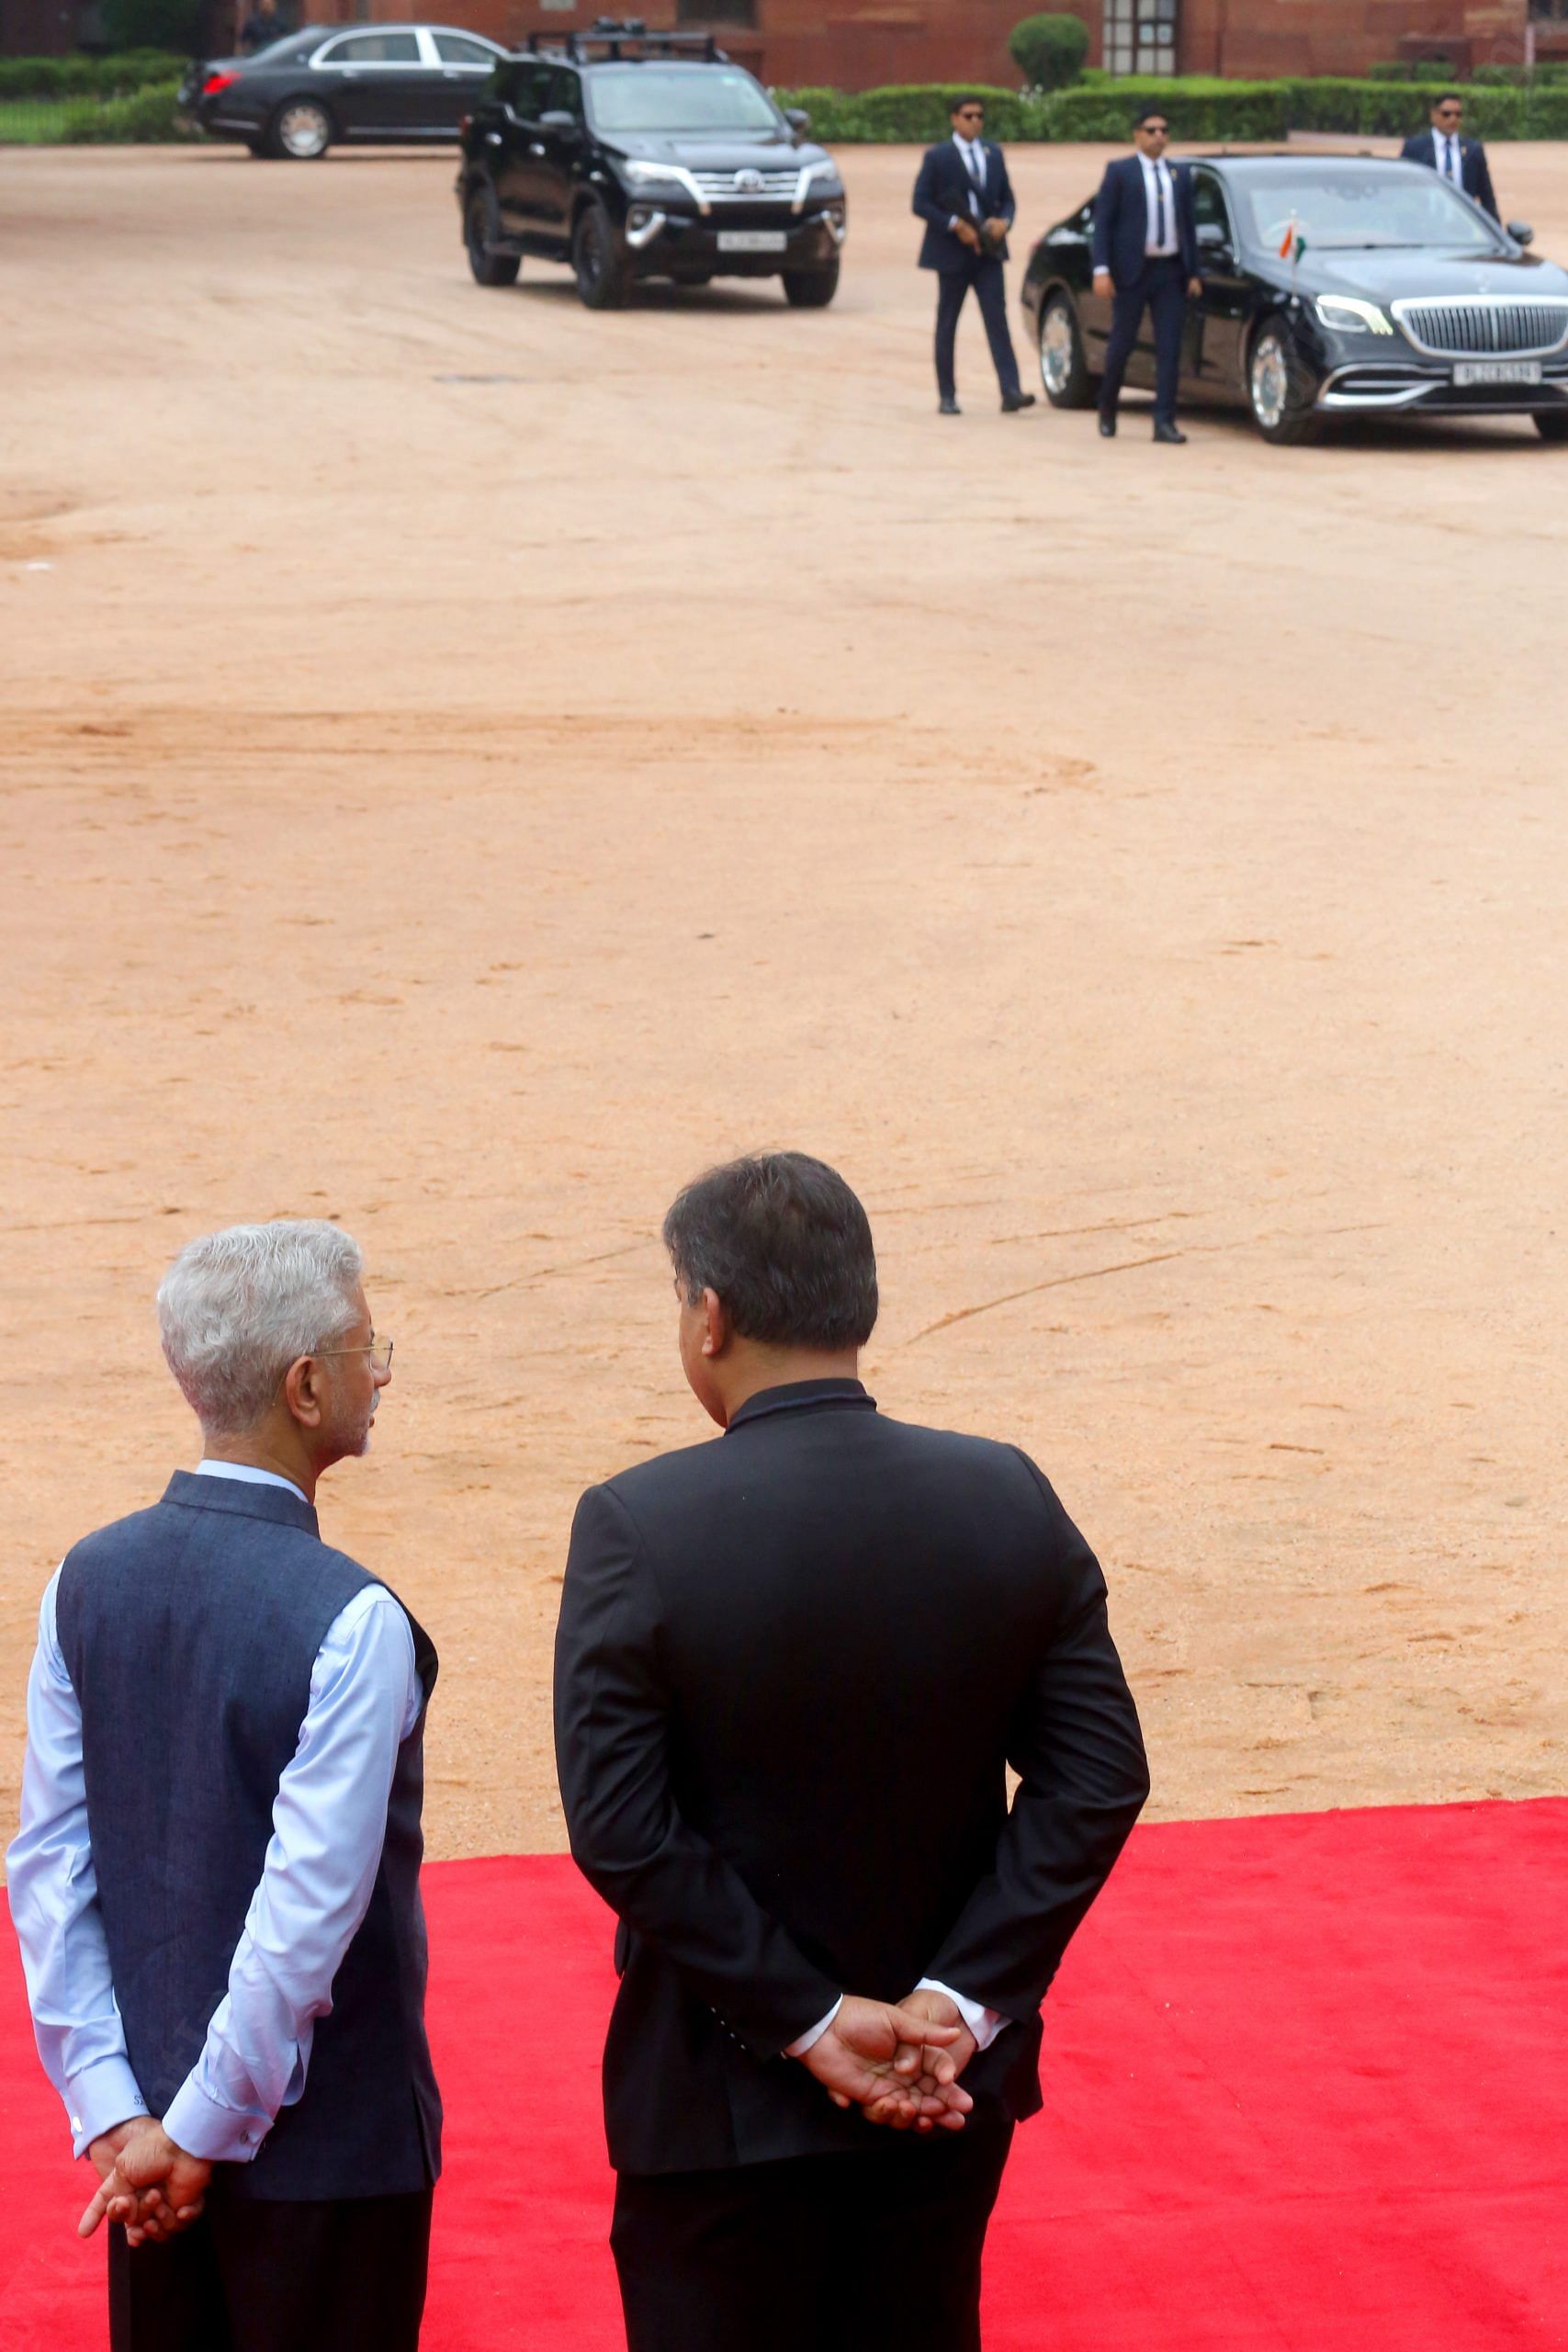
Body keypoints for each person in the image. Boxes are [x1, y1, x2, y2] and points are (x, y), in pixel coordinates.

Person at [555, 1150, 1149, 2352]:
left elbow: (621, 1826)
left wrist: (810, 2016)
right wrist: (955, 2004)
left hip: (718, 2106)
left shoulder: (638, 1524)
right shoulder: (1005, 1495)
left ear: (708, 1316)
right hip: (941, 2101)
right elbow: (1095, 1776)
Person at [6, 1221, 441, 2352]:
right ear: (305, 1386)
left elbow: (49, 1866)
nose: (382, 1367)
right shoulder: (354, 1617)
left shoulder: (80, 1580)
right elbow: (307, 1915)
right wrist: (198, 2133)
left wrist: (116, 2109)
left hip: (142, 2157)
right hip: (324, 2161)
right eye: (363, 1345)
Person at [912, 94, 1036, 417]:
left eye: (980, 116)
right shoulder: (938, 156)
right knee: (947, 323)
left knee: (997, 321)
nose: (976, 121)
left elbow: (1007, 198)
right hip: (952, 252)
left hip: (988, 253)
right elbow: (920, 202)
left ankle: (1010, 390)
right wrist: (954, 224)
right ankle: (947, 395)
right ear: (954, 118)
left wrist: (1004, 222)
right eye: (968, 115)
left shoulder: (992, 153)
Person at [1091, 103, 1202, 444]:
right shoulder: (1119, 172)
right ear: (1137, 135)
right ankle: (1108, 407)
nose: (1159, 137)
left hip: (1169, 271)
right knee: (1122, 344)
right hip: (1131, 272)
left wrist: (1193, 271)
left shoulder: (1179, 175)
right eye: (1152, 130)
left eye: (1164, 131)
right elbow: (1103, 225)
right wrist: (1102, 269)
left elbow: (1188, 225)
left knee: (1169, 347)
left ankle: (1164, 421)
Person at [1401, 92, 1498, 220]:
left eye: (1458, 114)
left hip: (1463, 226)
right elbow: (1402, 191)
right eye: (1446, 114)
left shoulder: (1473, 150)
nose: (1453, 119)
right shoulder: (1415, 148)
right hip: (1423, 225)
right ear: (1433, 115)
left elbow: (1486, 196)